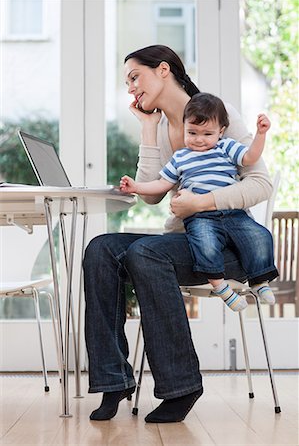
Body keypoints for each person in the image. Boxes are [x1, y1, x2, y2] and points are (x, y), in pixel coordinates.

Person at [83, 45, 273, 424]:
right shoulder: (167, 128)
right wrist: (148, 128)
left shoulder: (216, 114)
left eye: (135, 77)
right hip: (184, 242)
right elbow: (153, 195)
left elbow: (261, 184)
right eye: (127, 83)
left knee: (145, 253)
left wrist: (202, 203)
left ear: (164, 70)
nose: (131, 89)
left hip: (227, 244)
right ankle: (113, 379)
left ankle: (180, 387)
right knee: (101, 248)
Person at [120, 92, 278, 312]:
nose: (199, 139)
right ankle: (220, 286)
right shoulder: (181, 157)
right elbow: (161, 184)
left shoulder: (226, 147)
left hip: (231, 212)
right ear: (184, 127)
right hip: (200, 217)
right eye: (192, 132)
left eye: (207, 133)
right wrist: (136, 187)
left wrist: (261, 134)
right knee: (205, 245)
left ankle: (260, 280)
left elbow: (250, 158)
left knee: (259, 236)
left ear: (220, 132)